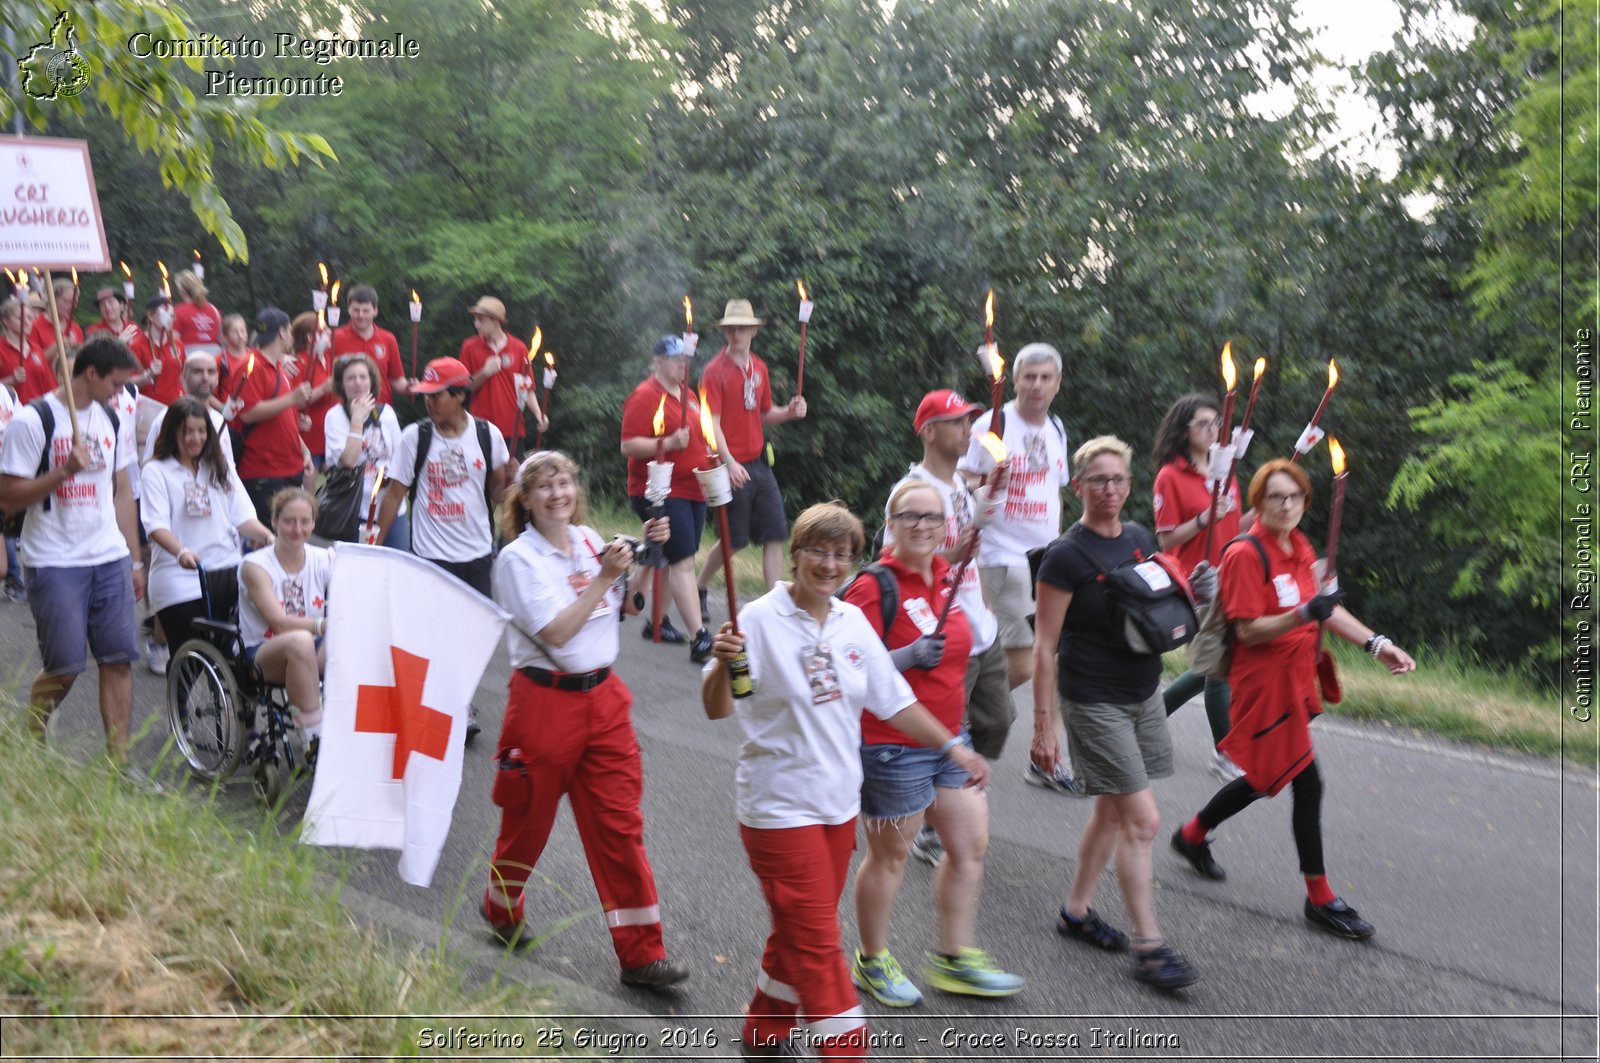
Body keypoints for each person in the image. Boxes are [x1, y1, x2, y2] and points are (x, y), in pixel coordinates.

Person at [702, 502, 991, 1060]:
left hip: (837, 808)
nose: (829, 563)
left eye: (841, 554)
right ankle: (846, 1051)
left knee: (798, 932)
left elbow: (895, 701)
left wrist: (953, 746)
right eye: (818, 551)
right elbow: (719, 707)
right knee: (817, 943)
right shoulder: (756, 620)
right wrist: (720, 665)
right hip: (779, 808)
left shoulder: (851, 621)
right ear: (796, 555)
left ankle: (764, 1033)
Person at [1169, 458, 1416, 940]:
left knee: (1264, 776)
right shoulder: (1245, 553)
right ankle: (1320, 898)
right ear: (1258, 502)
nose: (1286, 505)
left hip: (1295, 678)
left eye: (1296, 497)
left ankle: (1192, 834)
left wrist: (1376, 644)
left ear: (1306, 501)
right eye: (1275, 497)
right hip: (1262, 687)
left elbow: (1328, 609)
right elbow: (1249, 629)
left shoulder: (1300, 545)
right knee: (1308, 782)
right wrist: (1303, 612)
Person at [482, 450, 689, 990]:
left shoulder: (591, 540)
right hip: (543, 706)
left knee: (620, 828)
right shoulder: (516, 560)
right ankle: (501, 906)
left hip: (605, 702)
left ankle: (643, 954)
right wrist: (603, 576)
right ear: (524, 500)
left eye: (566, 483)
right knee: (528, 824)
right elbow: (554, 633)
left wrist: (646, 555)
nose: (558, 494)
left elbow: (629, 605)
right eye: (545, 486)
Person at [1030, 435, 1201, 990]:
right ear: (1077, 486)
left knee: (1110, 810)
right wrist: (1043, 726)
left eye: (1119, 479)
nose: (1109, 489)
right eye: (1098, 480)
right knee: (1143, 821)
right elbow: (1043, 645)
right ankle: (1150, 947)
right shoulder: (1065, 555)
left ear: (1130, 484)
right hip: (1093, 698)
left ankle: (1075, 912)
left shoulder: (1138, 537)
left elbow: (1153, 599)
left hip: (1143, 691)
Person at [846, 480, 1022, 1007]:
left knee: (968, 846)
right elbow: (852, 667)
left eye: (931, 517)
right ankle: (871, 960)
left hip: (950, 737)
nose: (921, 525)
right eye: (909, 516)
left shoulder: (948, 577)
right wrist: (904, 657)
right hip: (892, 745)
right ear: (890, 524)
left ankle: (954, 959)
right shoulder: (873, 586)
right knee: (890, 858)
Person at [0, 337, 146, 777]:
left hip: (108, 555)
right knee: (64, 667)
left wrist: (135, 560)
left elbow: (122, 491)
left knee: (118, 658)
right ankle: (31, 737)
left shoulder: (112, 418)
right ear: (91, 374)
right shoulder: (33, 420)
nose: (120, 394)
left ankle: (119, 764)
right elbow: (7, 495)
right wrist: (64, 471)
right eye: (116, 384)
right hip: (53, 559)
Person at [887, 390, 1012, 868]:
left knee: (998, 720)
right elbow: (903, 559)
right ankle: (936, 823)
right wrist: (960, 548)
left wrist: (983, 605)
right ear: (929, 431)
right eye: (957, 422)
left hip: (981, 629)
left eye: (970, 422)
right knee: (951, 733)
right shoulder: (913, 493)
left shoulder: (960, 485)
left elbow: (970, 557)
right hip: (945, 636)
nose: (968, 431)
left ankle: (946, 790)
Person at [958, 342, 1078, 794]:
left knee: (1055, 660)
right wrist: (986, 484)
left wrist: (1063, 545)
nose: (1037, 386)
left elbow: (1056, 489)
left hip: (1046, 560)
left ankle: (1045, 756)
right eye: (1029, 377)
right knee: (1025, 662)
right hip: (999, 557)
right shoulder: (994, 423)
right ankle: (958, 722)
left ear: (1057, 384)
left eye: (1046, 378)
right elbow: (964, 479)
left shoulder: (1057, 429)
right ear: (1016, 380)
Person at [374, 356, 514, 742]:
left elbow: (499, 493)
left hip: (476, 553)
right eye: (425, 396)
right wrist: (376, 545)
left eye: (437, 396)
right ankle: (440, 705)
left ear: (460, 395)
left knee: (470, 637)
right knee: (432, 636)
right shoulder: (415, 437)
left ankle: (459, 699)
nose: (429, 403)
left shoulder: (488, 436)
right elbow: (394, 494)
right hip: (430, 555)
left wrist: (514, 483)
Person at [1152, 393, 1255, 781]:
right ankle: (1226, 752)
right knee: (1220, 668)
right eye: (1204, 424)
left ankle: (1148, 719)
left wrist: (1258, 512)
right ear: (1184, 431)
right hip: (1197, 581)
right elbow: (1167, 541)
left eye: (1217, 423)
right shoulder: (1170, 476)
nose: (1214, 430)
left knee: (1213, 664)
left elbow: (1232, 527)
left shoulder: (1226, 472)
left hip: (1231, 577)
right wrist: (1203, 518)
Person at [694, 298, 806, 600]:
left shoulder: (760, 368)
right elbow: (711, 424)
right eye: (731, 329)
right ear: (725, 332)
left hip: (758, 462)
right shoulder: (714, 371)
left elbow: (765, 412)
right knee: (735, 541)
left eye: (743, 328)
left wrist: (790, 413)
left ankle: (771, 602)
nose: (737, 334)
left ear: (753, 332)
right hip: (730, 465)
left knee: (776, 533)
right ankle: (700, 585)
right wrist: (729, 463)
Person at [142, 396, 273, 652]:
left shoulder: (220, 466)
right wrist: (180, 551)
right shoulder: (156, 471)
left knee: (235, 654)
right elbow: (155, 525)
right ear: (172, 433)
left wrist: (269, 538)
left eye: (201, 431)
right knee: (192, 651)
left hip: (226, 569)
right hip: (180, 574)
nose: (196, 438)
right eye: (187, 432)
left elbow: (242, 516)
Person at [619, 335, 710, 658]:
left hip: (693, 488)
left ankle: (656, 622)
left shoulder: (688, 395)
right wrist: (669, 443)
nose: (683, 365)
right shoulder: (644, 395)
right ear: (658, 361)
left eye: (686, 360)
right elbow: (628, 446)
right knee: (683, 561)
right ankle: (700, 636)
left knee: (676, 558)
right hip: (659, 490)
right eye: (675, 359)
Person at [238, 488, 331, 751]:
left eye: (305, 521)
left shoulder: (323, 558)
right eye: (289, 521)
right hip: (261, 652)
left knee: (350, 639)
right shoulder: (255, 566)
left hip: (310, 647)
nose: (297, 529)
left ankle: (349, 726)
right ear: (274, 521)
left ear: (313, 523)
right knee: (301, 641)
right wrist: (320, 625)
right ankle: (314, 739)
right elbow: (278, 622)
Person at [235, 308, 315, 524]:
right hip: (264, 470)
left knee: (288, 536)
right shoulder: (251, 365)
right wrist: (292, 399)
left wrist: (303, 450)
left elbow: (282, 415)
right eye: (289, 330)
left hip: (288, 466)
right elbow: (247, 413)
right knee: (273, 538)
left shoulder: (278, 366)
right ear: (281, 332)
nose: (291, 335)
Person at [324, 354, 406, 550]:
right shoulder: (334, 417)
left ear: (371, 381)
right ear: (342, 384)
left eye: (363, 377)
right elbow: (349, 460)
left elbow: (400, 460)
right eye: (351, 378)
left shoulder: (386, 414)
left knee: (395, 565)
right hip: (352, 510)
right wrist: (357, 420)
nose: (357, 383)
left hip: (389, 508)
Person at [458, 295, 545, 456]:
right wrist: (485, 372)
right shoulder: (469, 347)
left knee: (512, 480)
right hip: (479, 429)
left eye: (480, 320)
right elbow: (462, 388)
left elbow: (527, 388)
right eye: (475, 320)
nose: (476, 324)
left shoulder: (519, 348)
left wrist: (539, 415)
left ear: (495, 321)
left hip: (512, 429)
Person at [142, 351, 232, 465]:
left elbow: (228, 467)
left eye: (211, 372)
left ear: (217, 378)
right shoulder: (168, 418)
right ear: (183, 377)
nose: (205, 377)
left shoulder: (219, 419)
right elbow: (150, 464)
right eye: (197, 371)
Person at [329, 284, 409, 404]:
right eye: (356, 310)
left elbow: (397, 380)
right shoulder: (334, 338)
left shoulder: (388, 339)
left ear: (375, 311)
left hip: (380, 410)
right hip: (346, 411)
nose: (361, 315)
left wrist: (410, 388)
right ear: (349, 309)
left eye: (366, 311)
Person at [289, 311, 337, 471]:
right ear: (310, 337)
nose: (330, 333)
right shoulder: (298, 363)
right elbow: (294, 402)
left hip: (331, 437)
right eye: (324, 330)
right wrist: (323, 389)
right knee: (307, 489)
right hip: (310, 439)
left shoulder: (331, 360)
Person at [129, 293, 185, 407]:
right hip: (150, 406)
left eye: (172, 315)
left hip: (175, 406)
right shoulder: (137, 345)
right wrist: (147, 375)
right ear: (151, 316)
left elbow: (182, 376)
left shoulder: (178, 345)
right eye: (165, 314)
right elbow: (127, 382)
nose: (169, 319)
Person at [26, 278, 82, 366]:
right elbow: (31, 364)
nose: (72, 307)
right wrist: (58, 346)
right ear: (52, 299)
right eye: (66, 302)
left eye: (74, 302)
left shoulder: (75, 328)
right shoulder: (34, 327)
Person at [172, 269, 223, 356]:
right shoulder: (215, 310)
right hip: (215, 358)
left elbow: (174, 342)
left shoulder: (177, 311)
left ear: (182, 291)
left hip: (190, 357)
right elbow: (222, 339)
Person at [214, 312, 252, 402]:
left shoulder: (255, 357)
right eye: (235, 332)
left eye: (242, 331)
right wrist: (222, 408)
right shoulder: (220, 361)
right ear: (225, 336)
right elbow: (209, 394)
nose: (240, 335)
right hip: (228, 410)